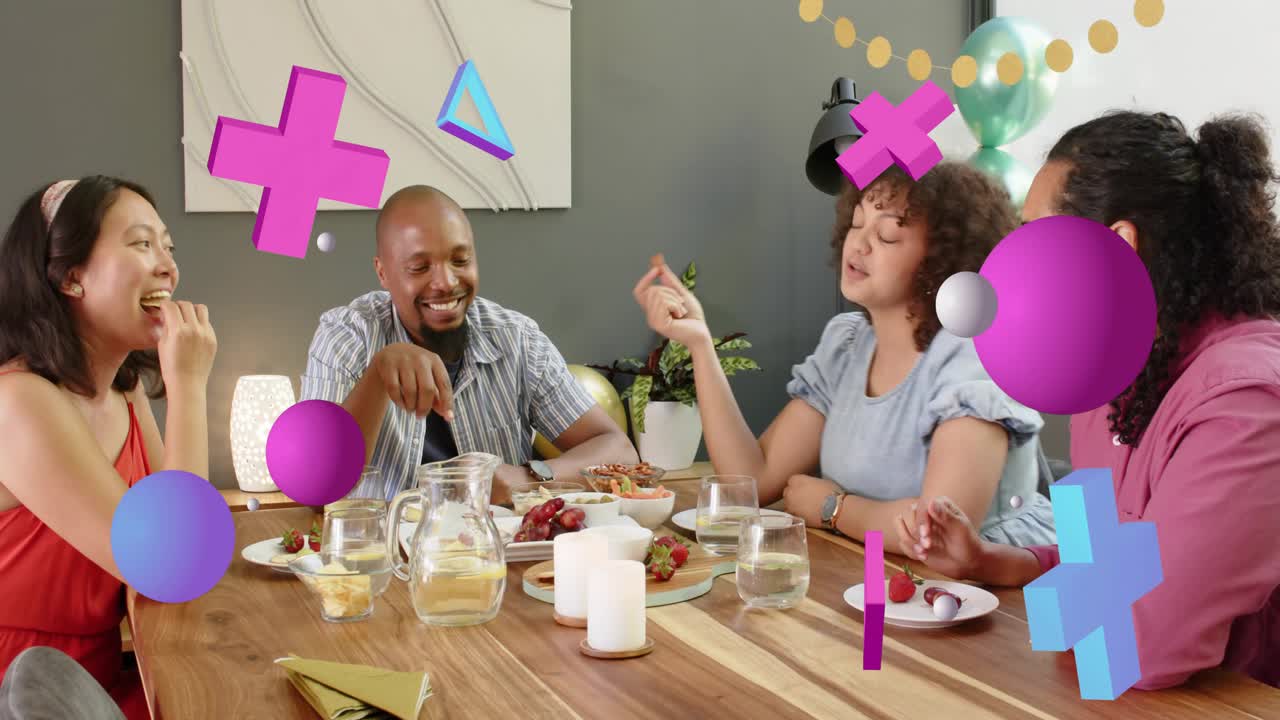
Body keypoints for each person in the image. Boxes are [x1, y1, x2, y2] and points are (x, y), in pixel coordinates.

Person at [898, 112, 1280, 690]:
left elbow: (1142, 649)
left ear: (1117, 245)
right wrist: (994, 561)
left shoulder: (1248, 403)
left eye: (1034, 234)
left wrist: (1071, 605)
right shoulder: (1108, 378)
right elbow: (1098, 560)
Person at [633, 163, 1056, 550]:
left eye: (887, 235)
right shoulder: (848, 344)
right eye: (856, 223)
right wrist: (700, 344)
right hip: (877, 579)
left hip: (994, 598)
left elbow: (939, 534)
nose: (860, 244)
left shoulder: (972, 357)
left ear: (943, 259)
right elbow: (753, 480)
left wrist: (833, 508)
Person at [0, 176, 218, 719]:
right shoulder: (19, 401)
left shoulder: (126, 391)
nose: (167, 266)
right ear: (71, 277)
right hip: (27, 693)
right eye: (142, 244)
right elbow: (174, 565)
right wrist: (189, 386)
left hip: (104, 681)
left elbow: (186, 539)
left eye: (168, 246)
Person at [301, 185, 637, 504]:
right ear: (383, 273)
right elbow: (317, 488)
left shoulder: (517, 339)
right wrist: (377, 376)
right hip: (382, 543)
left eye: (460, 261)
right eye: (419, 267)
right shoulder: (348, 336)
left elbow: (619, 451)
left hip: (494, 543)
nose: (446, 282)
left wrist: (525, 480)